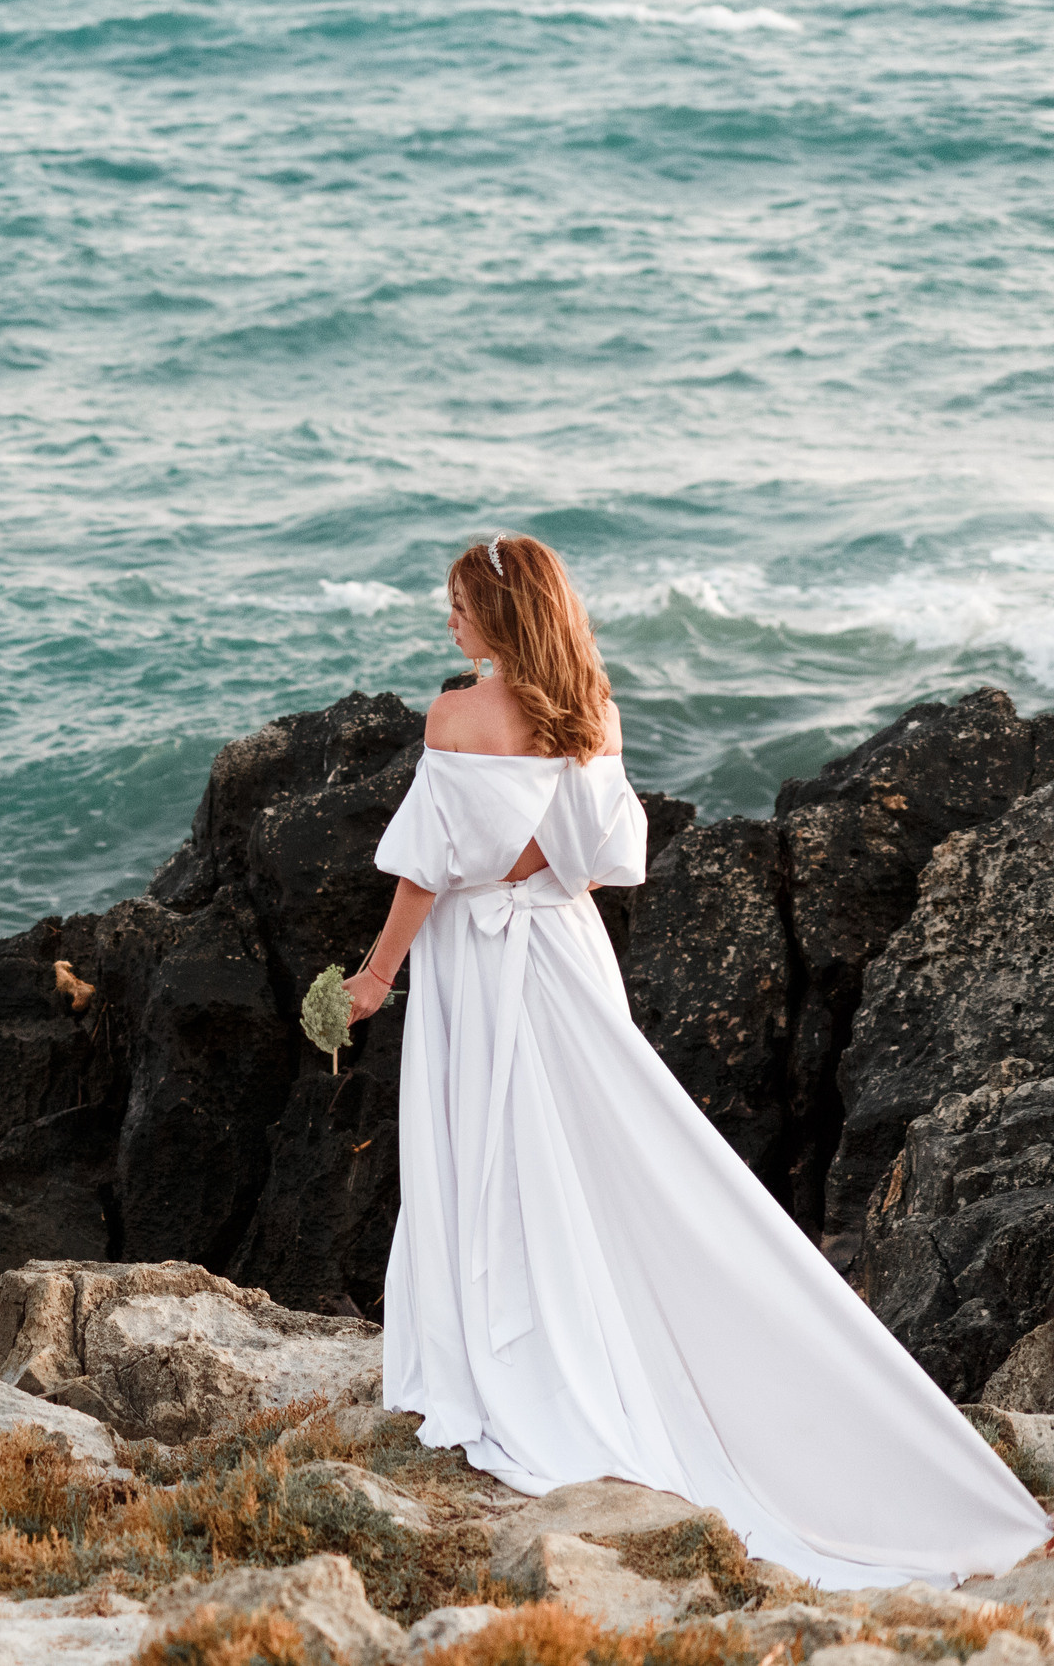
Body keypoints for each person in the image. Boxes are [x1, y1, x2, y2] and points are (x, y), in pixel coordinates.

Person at [345, 533, 1047, 1588]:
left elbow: (426, 876)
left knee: (489, 1145)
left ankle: (503, 1347)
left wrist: (371, 977)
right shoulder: (591, 709)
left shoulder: (457, 715)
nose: (447, 622)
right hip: (566, 952)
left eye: (458, 606)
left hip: (481, 967)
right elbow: (599, 864)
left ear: (500, 614)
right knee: (606, 1155)